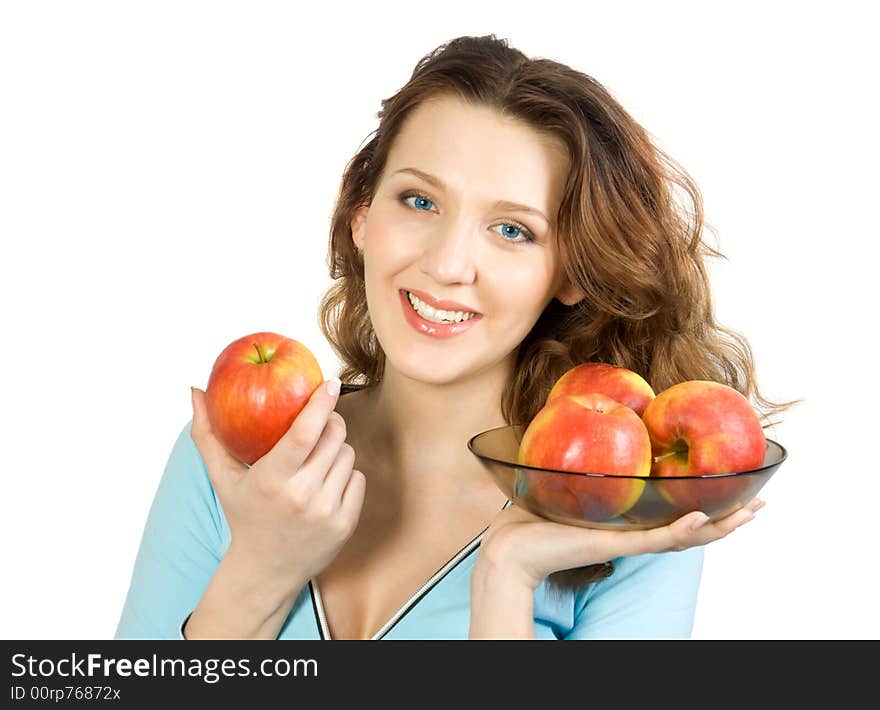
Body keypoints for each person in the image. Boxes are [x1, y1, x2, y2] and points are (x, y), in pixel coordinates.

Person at [114, 35, 789, 641]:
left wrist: (505, 576)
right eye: (419, 201)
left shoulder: (632, 518)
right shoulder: (237, 461)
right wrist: (257, 572)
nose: (446, 264)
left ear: (571, 275)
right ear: (360, 213)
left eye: (513, 230)